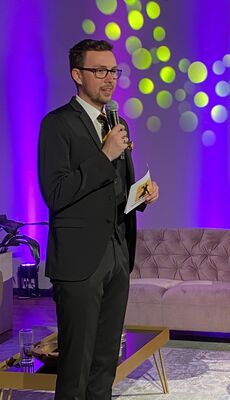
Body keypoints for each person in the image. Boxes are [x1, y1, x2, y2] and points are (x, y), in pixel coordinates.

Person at [38, 39, 160, 399]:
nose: (110, 79)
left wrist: (142, 195)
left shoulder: (117, 120)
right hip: (79, 262)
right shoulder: (57, 124)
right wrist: (104, 154)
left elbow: (113, 191)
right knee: (76, 365)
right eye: (100, 71)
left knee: (106, 362)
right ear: (77, 74)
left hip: (117, 254)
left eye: (114, 71)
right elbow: (56, 193)